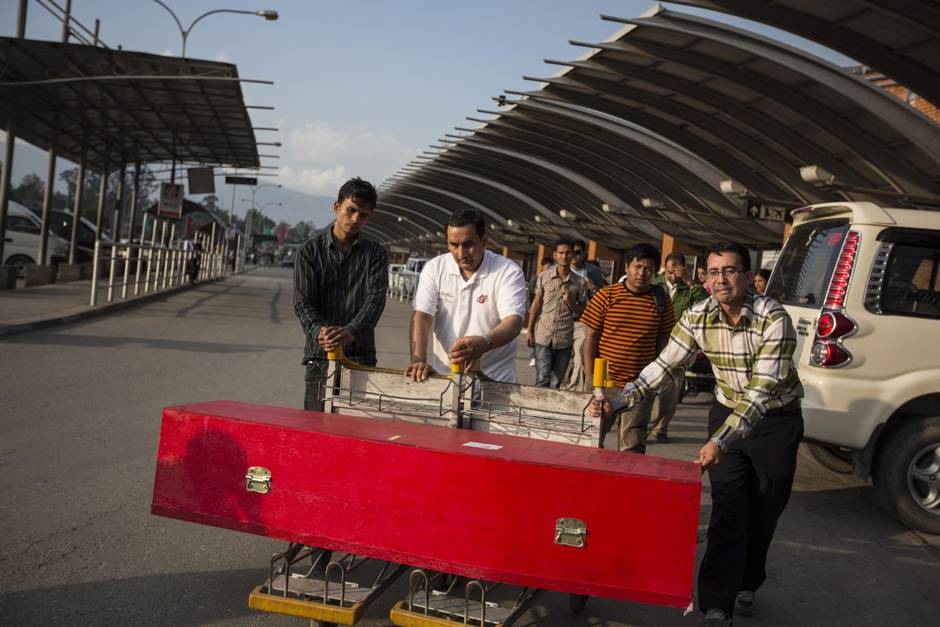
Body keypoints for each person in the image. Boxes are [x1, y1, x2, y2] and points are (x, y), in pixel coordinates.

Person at [590, 242, 804, 627]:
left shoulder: (773, 318)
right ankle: (717, 605)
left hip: (775, 421)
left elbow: (760, 393)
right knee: (728, 509)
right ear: (705, 278)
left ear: (747, 275)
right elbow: (664, 366)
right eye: (714, 272)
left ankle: (747, 582)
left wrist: (719, 441)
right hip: (726, 413)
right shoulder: (697, 316)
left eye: (731, 271)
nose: (722, 279)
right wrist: (618, 402)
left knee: (765, 510)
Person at [293, 177, 388, 412]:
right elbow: (302, 302)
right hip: (320, 357)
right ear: (337, 208)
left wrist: (351, 331)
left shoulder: (375, 254)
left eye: (363, 215)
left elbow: (375, 300)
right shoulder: (309, 252)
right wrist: (319, 332)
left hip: (360, 358)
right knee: (317, 431)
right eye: (351, 210)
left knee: (356, 431)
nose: (355, 219)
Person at [407, 209, 527, 382]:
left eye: (468, 244)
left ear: (484, 241)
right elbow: (422, 316)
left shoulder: (507, 271)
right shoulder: (435, 268)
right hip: (445, 378)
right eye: (454, 245)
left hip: (494, 381)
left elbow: (513, 321)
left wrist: (484, 343)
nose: (461, 253)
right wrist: (418, 361)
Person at [581, 243, 675, 453]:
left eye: (648, 269)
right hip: (604, 383)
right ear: (627, 268)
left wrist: (657, 375)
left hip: (640, 384)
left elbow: (664, 338)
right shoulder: (606, 296)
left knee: (632, 444)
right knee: (592, 437)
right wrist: (590, 378)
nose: (642, 273)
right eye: (637, 267)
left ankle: (625, 484)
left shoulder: (661, 301)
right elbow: (590, 338)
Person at [647, 252, 709, 442]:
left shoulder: (689, 287)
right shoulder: (654, 285)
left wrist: (689, 281)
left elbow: (706, 304)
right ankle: (643, 426)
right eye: (670, 267)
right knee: (649, 386)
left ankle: (661, 428)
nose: (673, 271)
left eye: (677, 267)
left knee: (672, 391)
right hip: (652, 343)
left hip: (679, 345)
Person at [526, 237, 590, 388]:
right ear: (555, 255)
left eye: (568, 253)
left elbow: (584, 311)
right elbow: (536, 304)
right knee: (542, 379)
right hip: (543, 335)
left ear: (573, 256)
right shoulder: (545, 276)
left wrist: (570, 302)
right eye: (561, 253)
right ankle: (537, 410)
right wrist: (529, 330)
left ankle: (549, 411)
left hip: (565, 337)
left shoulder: (580, 282)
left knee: (556, 382)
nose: (565, 256)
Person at [563, 239, 607, 390]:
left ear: (584, 254)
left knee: (581, 356)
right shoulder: (560, 270)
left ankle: (576, 391)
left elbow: (602, 296)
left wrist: (593, 287)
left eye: (578, 252)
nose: (574, 256)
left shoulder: (593, 271)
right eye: (571, 252)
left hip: (583, 321)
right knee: (561, 361)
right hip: (560, 321)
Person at [528, 256, 553, 367]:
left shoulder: (552, 279)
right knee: (533, 334)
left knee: (541, 336)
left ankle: (540, 356)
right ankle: (533, 356)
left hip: (546, 311)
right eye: (547, 266)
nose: (549, 268)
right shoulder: (537, 279)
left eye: (551, 266)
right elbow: (530, 296)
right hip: (536, 311)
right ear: (542, 267)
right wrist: (530, 309)